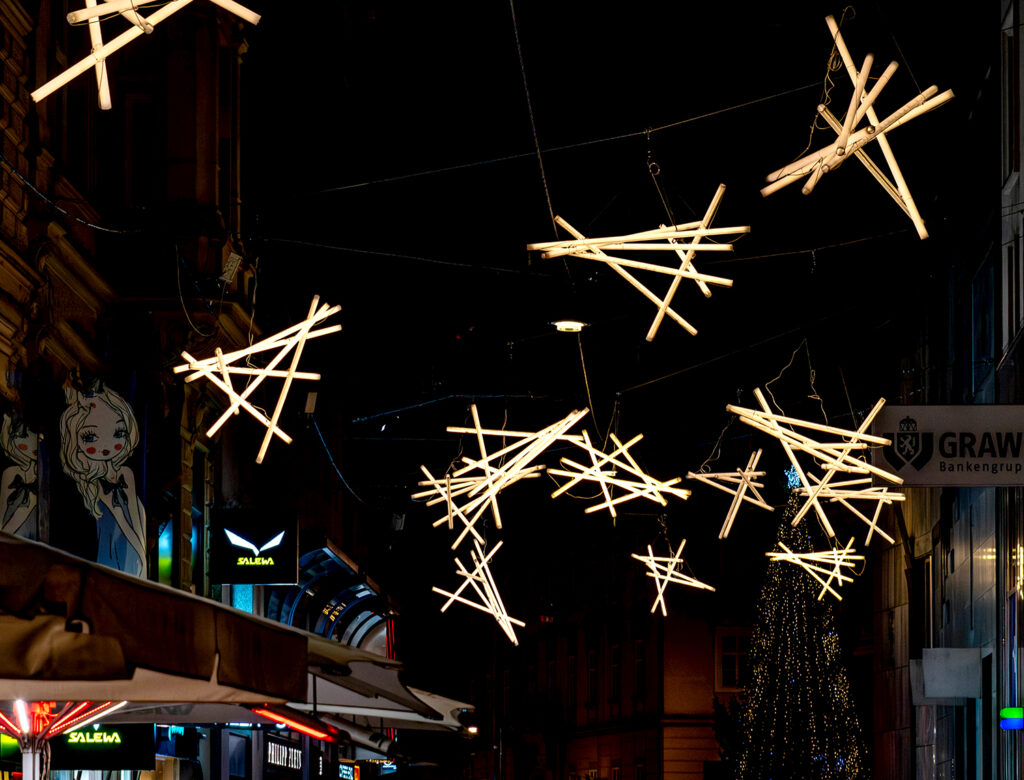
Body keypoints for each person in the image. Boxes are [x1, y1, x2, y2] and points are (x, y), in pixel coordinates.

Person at [59, 384, 147, 577]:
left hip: (128, 558)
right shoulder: (85, 483)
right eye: (90, 437)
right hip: (102, 562)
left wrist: (142, 568)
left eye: (118, 433)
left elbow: (136, 528)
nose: (106, 446)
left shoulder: (127, 475)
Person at [0, 413, 38, 538]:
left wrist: (4, 536)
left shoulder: (38, 473)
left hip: (24, 541)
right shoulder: (10, 472)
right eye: (23, 436)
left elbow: (25, 511)